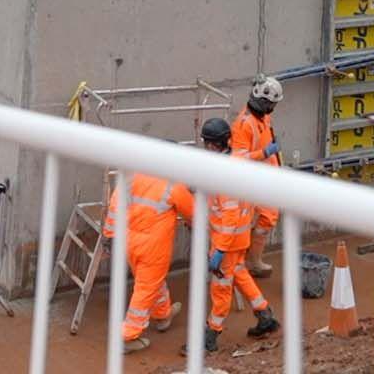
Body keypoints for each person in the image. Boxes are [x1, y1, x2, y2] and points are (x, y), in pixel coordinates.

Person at [191, 116, 279, 354]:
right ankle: (265, 315)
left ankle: (211, 335)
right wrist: (266, 151)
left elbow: (228, 217)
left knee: (221, 288)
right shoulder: (237, 159)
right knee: (240, 273)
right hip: (241, 238)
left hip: (226, 242)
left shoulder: (222, 176)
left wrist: (219, 250)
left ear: (211, 144)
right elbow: (251, 157)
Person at [103, 170, 195, 352]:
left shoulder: (135, 175)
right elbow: (193, 214)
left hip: (129, 241)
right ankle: (127, 337)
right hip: (154, 248)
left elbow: (115, 204)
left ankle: (163, 315)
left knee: (150, 281)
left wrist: (110, 234)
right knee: (145, 288)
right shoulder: (174, 185)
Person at [229, 74, 283, 276]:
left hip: (265, 178)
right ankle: (244, 262)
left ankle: (253, 261)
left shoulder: (263, 117)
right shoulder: (244, 125)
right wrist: (265, 153)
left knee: (267, 218)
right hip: (251, 181)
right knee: (246, 223)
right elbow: (238, 159)